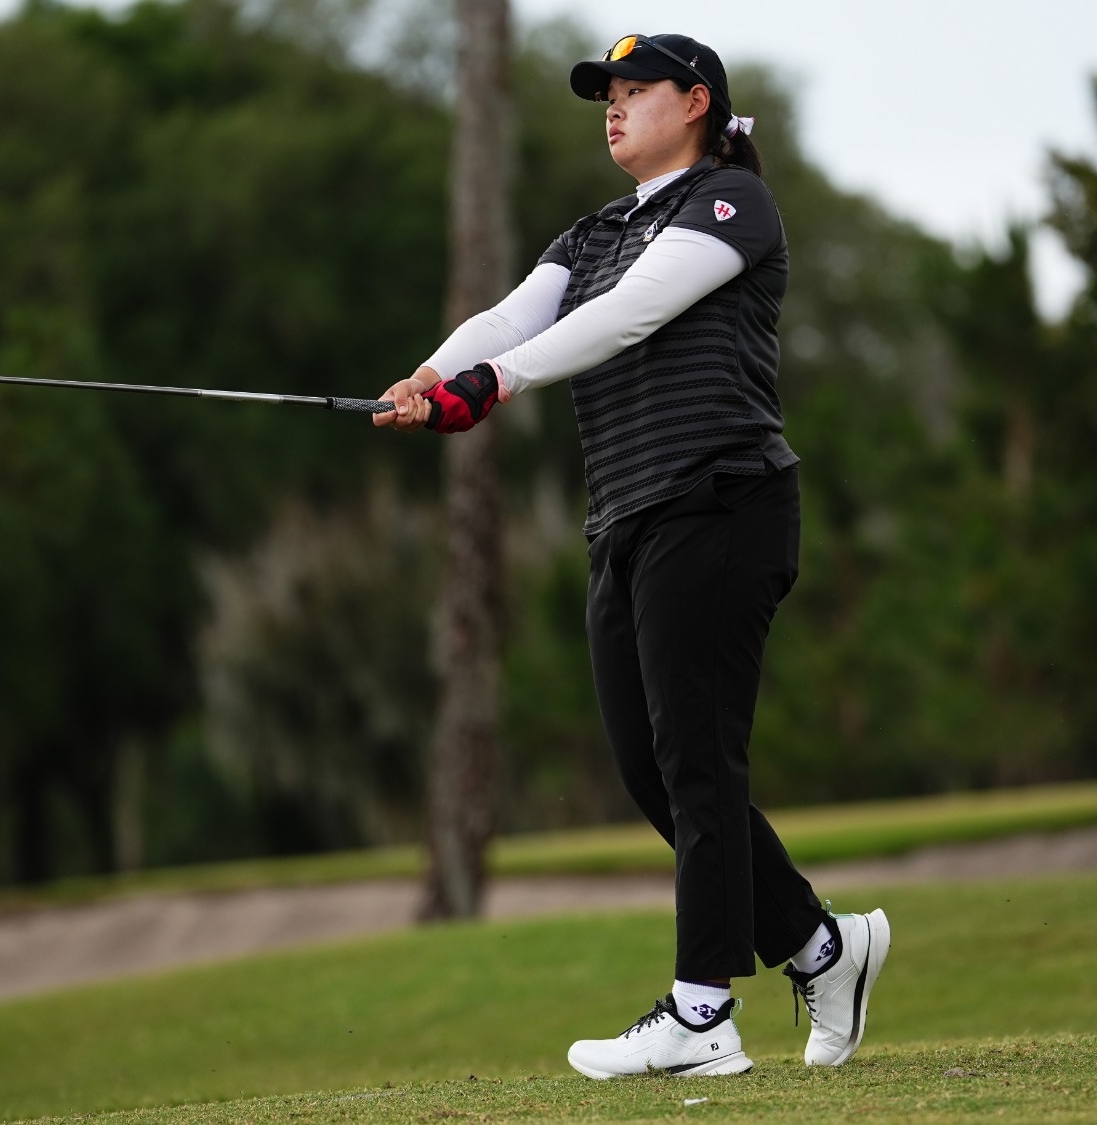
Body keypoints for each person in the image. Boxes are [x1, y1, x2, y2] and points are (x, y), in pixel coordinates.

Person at [375, 32, 889, 1080]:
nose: (612, 106)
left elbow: (626, 317)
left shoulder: (733, 203)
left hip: (722, 503)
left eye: (635, 89)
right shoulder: (592, 230)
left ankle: (703, 1013)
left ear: (696, 103)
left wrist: (493, 385)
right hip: (626, 520)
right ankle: (820, 948)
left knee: (698, 761)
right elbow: (510, 315)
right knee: (651, 768)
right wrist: (429, 375)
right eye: (606, 94)